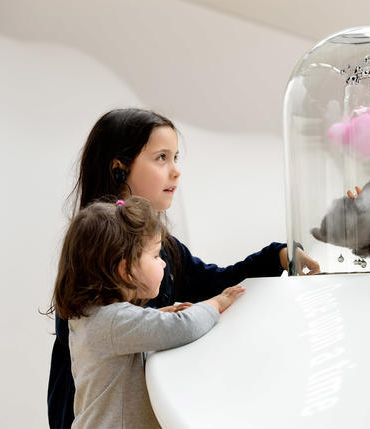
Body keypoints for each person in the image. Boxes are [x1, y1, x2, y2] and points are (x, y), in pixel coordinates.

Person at [48, 108, 320, 428]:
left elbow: (214, 282)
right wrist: (195, 311)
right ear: (119, 170)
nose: (176, 171)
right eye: (161, 158)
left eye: (175, 158)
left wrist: (277, 256)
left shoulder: (165, 248)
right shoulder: (92, 262)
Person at [51, 196, 244, 428]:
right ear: (125, 269)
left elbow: (133, 328)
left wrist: (162, 313)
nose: (163, 263)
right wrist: (215, 304)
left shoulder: (93, 316)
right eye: (155, 255)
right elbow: (183, 327)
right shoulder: (114, 321)